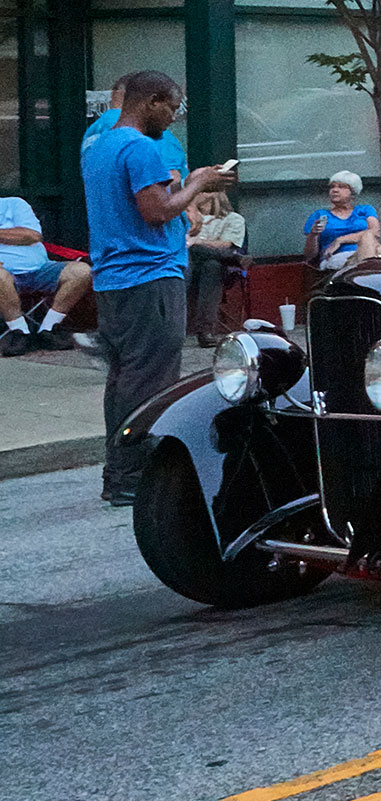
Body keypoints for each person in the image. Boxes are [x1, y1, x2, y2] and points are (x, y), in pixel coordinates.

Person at [83, 70, 234, 508]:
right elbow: (156, 212)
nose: (173, 116)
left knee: (124, 376)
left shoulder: (98, 146)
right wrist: (197, 184)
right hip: (149, 274)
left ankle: (119, 471)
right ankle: (133, 473)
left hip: (112, 277)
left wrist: (187, 183)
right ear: (152, 101)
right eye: (172, 106)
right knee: (150, 379)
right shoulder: (141, 148)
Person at [0, 194, 91, 356]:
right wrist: (12, 235)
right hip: (4, 276)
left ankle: (49, 328)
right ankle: (19, 331)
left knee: (82, 271)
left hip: (41, 269)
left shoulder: (13, 204)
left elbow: (32, 235)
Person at [186, 190, 246, 344]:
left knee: (211, 265)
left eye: (204, 201)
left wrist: (197, 243)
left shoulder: (233, 219)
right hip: (188, 265)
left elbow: (227, 244)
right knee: (195, 256)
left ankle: (205, 330)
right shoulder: (188, 218)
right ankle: (235, 259)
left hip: (220, 270)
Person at [301, 172, 381, 272]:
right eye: (332, 187)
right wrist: (313, 234)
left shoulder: (365, 210)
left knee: (369, 238)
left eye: (342, 187)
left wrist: (340, 240)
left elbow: (375, 232)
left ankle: (364, 270)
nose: (335, 190)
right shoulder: (320, 214)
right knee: (366, 261)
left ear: (353, 192)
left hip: (365, 254)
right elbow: (310, 255)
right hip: (336, 259)